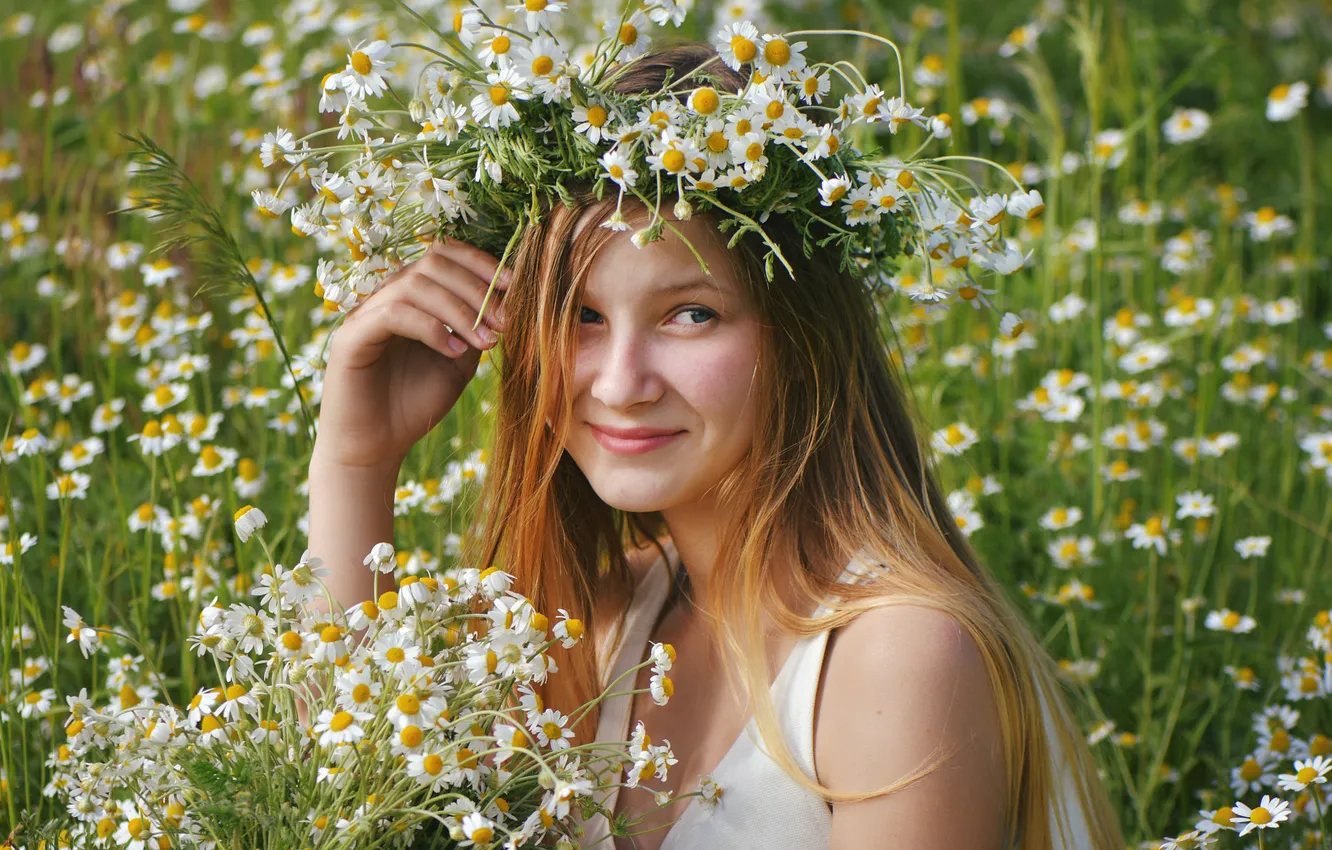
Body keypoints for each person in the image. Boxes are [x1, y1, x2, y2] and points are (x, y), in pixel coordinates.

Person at [307, 43, 1124, 850]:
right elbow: (325, 798)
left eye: (690, 313)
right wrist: (357, 460)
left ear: (804, 340)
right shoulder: (596, 620)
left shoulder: (894, 658)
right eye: (582, 316)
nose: (622, 383)